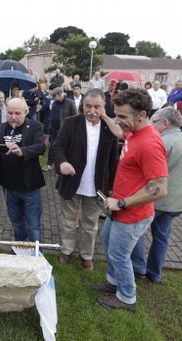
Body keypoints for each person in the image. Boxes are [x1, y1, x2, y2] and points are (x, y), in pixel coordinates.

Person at [93, 89, 168, 312]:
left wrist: (122, 203)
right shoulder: (134, 132)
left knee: (119, 254)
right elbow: (119, 132)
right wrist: (104, 115)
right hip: (119, 210)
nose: (119, 121)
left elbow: (160, 188)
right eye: (117, 114)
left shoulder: (149, 144)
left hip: (131, 214)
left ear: (142, 115)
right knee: (107, 241)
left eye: (123, 116)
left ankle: (127, 297)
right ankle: (113, 282)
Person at [53, 88, 119, 270]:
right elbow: (57, 147)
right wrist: (63, 163)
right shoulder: (70, 123)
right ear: (82, 105)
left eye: (97, 107)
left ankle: (87, 255)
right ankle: (66, 250)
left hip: (97, 186)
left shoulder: (109, 127)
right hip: (71, 182)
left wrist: (113, 187)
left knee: (91, 224)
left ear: (104, 107)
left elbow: (114, 159)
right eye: (88, 106)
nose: (92, 110)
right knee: (68, 221)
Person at [0, 98, 46, 242]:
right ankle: (19, 251)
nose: (13, 117)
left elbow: (41, 147)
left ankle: (35, 256)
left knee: (33, 225)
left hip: (29, 186)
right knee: (17, 224)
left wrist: (22, 151)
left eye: (17, 113)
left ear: (26, 112)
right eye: (10, 113)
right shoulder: (1, 128)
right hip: (8, 186)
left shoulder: (35, 126)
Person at [131, 107, 182, 283]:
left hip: (156, 200)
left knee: (136, 232)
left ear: (165, 123)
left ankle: (138, 268)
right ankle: (154, 274)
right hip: (176, 203)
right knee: (162, 238)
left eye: (154, 121)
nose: (151, 125)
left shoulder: (161, 143)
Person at [44, 87, 77, 171]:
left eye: (55, 96)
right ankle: (49, 164)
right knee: (52, 147)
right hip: (54, 129)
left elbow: (75, 117)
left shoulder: (70, 103)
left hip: (65, 131)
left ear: (59, 95)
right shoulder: (55, 103)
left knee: (64, 148)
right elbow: (52, 116)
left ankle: (62, 165)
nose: (54, 98)